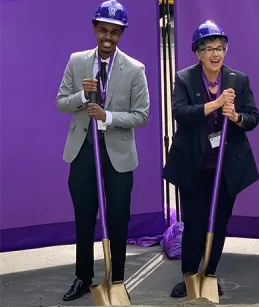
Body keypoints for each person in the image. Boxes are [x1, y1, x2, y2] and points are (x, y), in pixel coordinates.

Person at [55, 0, 150, 301]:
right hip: (83, 153)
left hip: (118, 157)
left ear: (121, 33)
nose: (108, 38)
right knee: (84, 217)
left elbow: (142, 115)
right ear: (94, 29)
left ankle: (117, 279)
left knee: (119, 218)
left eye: (115, 33)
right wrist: (83, 95)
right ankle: (83, 277)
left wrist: (107, 117)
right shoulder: (77, 61)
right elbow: (61, 102)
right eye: (103, 31)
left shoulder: (135, 69)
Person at [162, 20, 259, 298]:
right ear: (197, 53)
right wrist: (215, 105)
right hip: (194, 165)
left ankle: (210, 273)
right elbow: (180, 113)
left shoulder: (238, 79)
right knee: (194, 224)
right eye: (208, 49)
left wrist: (237, 117)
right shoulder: (184, 78)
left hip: (226, 167)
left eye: (220, 48)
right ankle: (189, 276)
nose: (215, 54)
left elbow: (254, 117)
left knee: (218, 224)